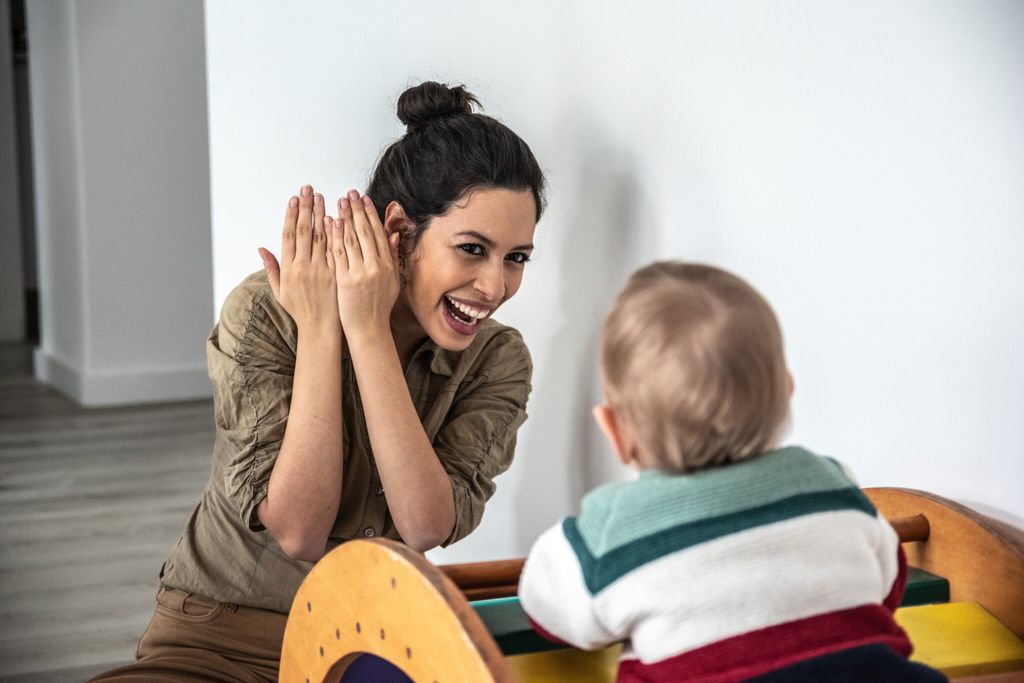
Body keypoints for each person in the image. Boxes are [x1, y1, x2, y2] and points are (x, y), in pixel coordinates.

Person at [92, 81, 546, 682]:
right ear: (399, 229)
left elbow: (424, 524)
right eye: (471, 249)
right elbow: (300, 531)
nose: (494, 287)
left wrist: (367, 331)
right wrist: (323, 330)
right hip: (222, 637)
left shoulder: (498, 359)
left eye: (516, 257)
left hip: (371, 644)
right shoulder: (266, 310)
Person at [518, 262, 946, 682]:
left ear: (615, 430)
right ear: (787, 393)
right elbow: (887, 578)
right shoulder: (829, 484)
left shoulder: (615, 528)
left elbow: (554, 609)